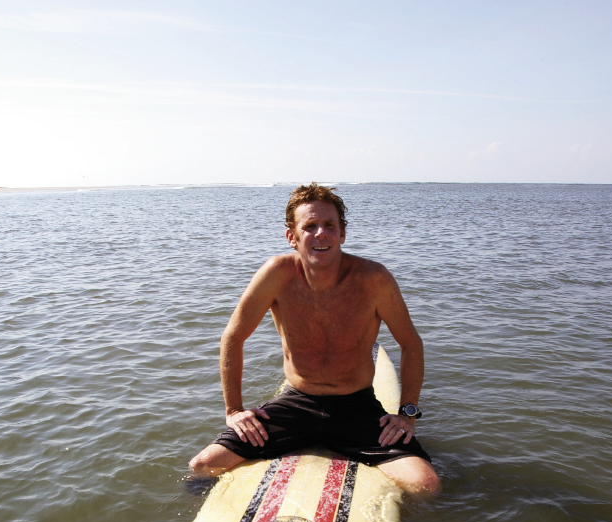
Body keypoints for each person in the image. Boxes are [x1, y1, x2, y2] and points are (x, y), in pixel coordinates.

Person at [189, 183, 441, 496]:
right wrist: (234, 410)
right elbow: (233, 337)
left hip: (357, 407)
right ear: (292, 236)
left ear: (342, 234)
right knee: (203, 465)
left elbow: (411, 344)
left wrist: (407, 414)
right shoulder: (277, 274)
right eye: (309, 226)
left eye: (329, 225)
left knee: (426, 485)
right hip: (296, 404)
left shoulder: (373, 279)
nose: (321, 234)